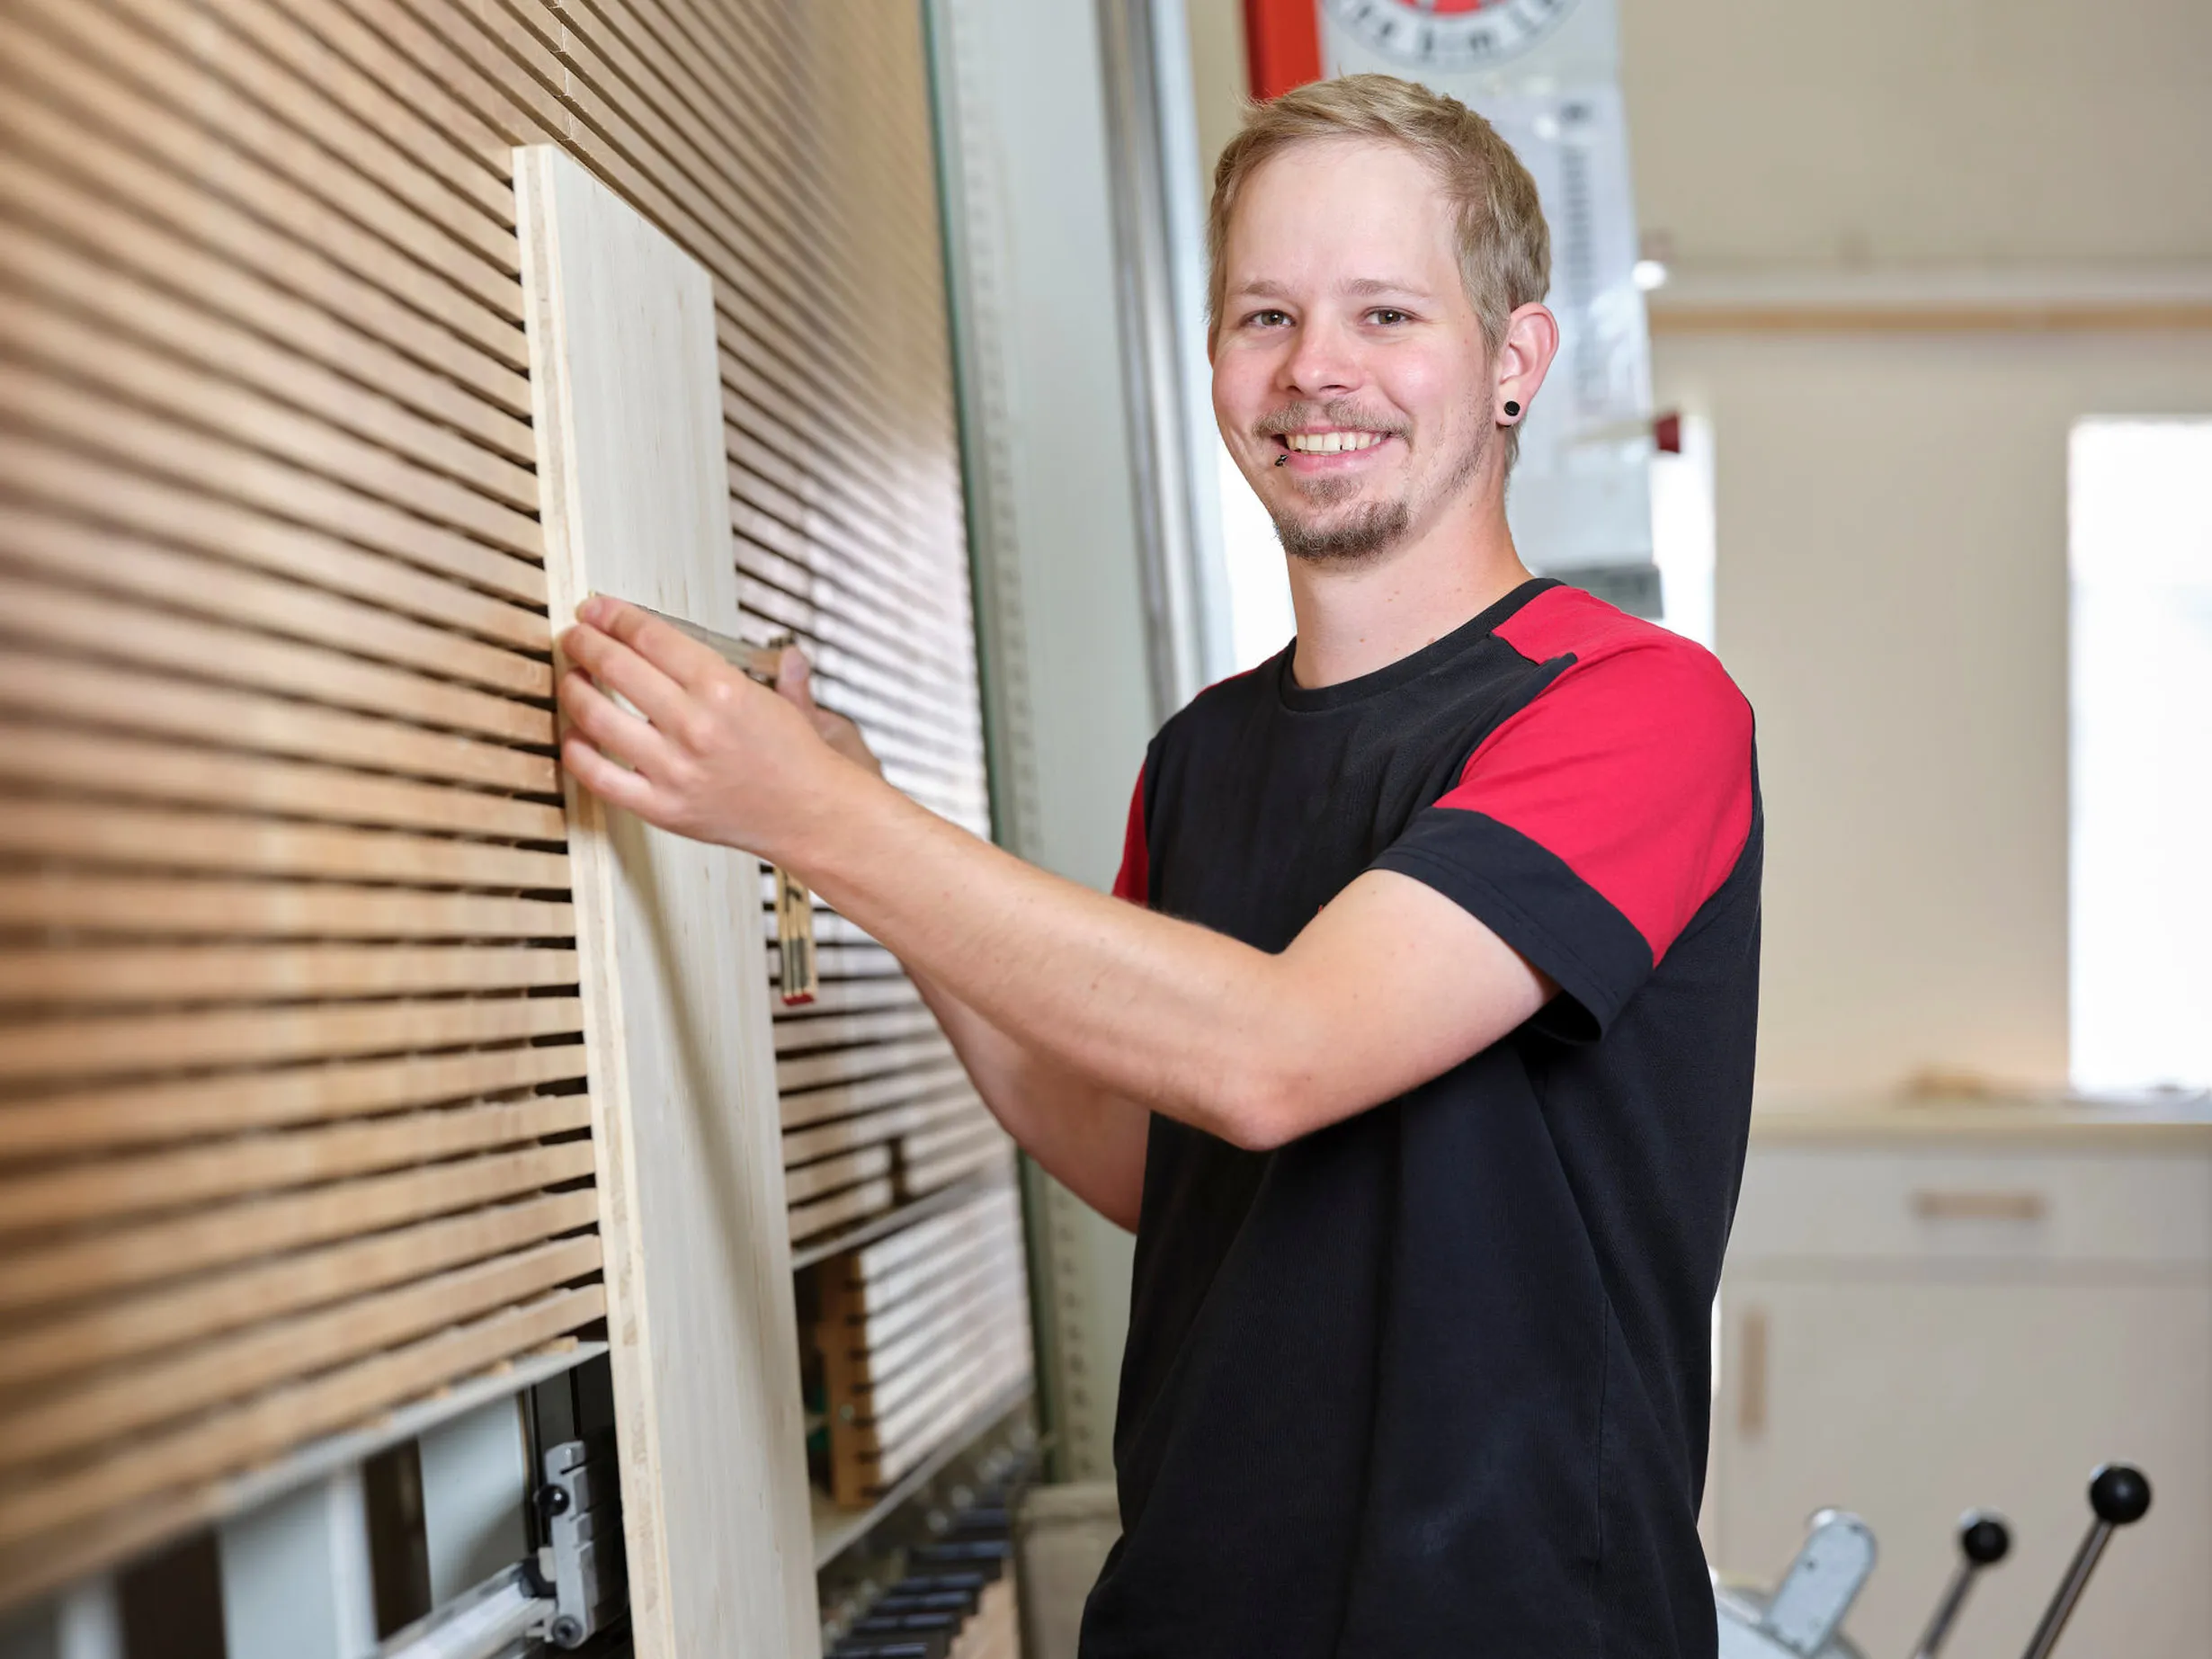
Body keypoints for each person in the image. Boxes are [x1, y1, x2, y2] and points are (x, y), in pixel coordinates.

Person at [557, 72, 1759, 1658]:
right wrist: (846, 827)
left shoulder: (1635, 707)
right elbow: (1149, 1149)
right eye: (1264, 316)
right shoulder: (1202, 756)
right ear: (1213, 360)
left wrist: (810, 820)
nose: (1314, 370)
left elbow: (1280, 1054)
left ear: (1514, 358)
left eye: (1387, 313)